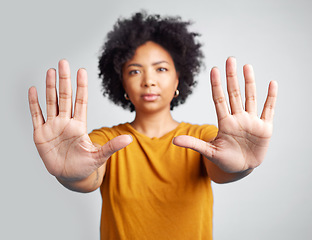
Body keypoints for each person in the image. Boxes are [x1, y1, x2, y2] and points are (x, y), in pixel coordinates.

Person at [28, 12, 278, 240]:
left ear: (178, 78)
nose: (149, 81)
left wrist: (243, 168)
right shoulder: (106, 140)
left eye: (161, 69)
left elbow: (222, 170)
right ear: (121, 83)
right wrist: (68, 175)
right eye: (135, 72)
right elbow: (88, 177)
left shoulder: (202, 138)